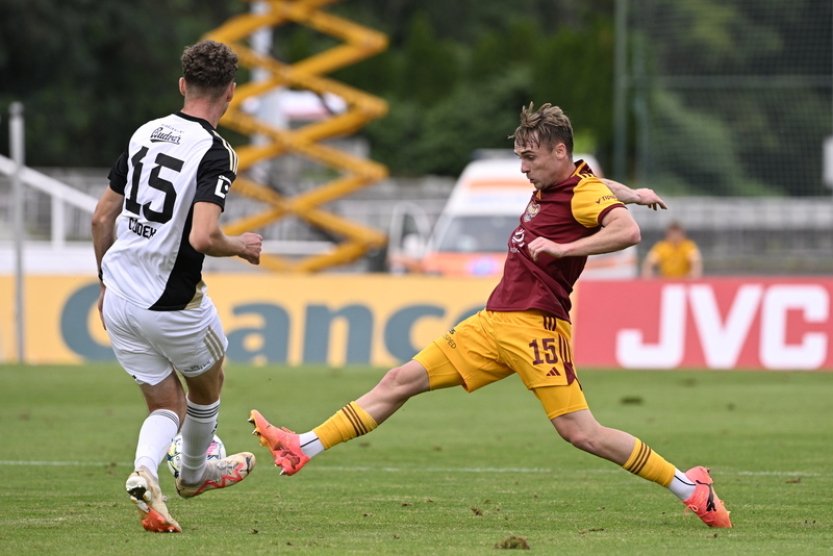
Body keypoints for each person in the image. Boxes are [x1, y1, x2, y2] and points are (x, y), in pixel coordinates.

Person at [248, 103, 731, 528]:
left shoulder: (578, 194)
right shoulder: (565, 182)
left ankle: (691, 489)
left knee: (581, 433)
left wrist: (567, 244)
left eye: (530, 157)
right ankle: (302, 446)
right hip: (493, 321)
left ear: (559, 152)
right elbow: (602, 187)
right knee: (400, 379)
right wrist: (635, 190)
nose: (523, 168)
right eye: (520, 156)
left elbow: (626, 233)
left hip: (537, 328)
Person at [91, 40, 262, 533]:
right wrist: (242, 247)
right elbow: (204, 236)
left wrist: (104, 281)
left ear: (183, 85)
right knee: (209, 383)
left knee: (166, 404)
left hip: (118, 294)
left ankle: (145, 472)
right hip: (170, 302)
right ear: (231, 92)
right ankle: (192, 475)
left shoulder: (145, 132)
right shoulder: (217, 151)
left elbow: (102, 215)